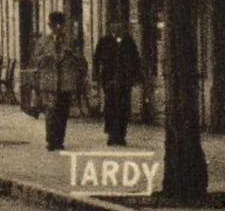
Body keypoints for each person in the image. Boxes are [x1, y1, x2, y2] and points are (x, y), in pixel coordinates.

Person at [36, 11, 85, 151]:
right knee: (51, 111)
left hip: (65, 83)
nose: (57, 29)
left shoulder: (70, 42)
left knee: (62, 112)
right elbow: (36, 61)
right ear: (49, 26)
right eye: (54, 26)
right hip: (50, 82)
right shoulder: (43, 41)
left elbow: (80, 62)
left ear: (63, 26)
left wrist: (72, 55)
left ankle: (60, 140)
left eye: (60, 25)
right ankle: (51, 140)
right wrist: (45, 58)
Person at [93, 17, 144, 146]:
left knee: (123, 106)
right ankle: (111, 134)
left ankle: (121, 134)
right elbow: (96, 59)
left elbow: (135, 60)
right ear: (110, 26)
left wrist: (135, 76)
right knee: (110, 106)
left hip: (124, 79)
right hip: (109, 78)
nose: (117, 27)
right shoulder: (104, 41)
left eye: (119, 24)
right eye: (114, 24)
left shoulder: (128, 41)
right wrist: (96, 76)